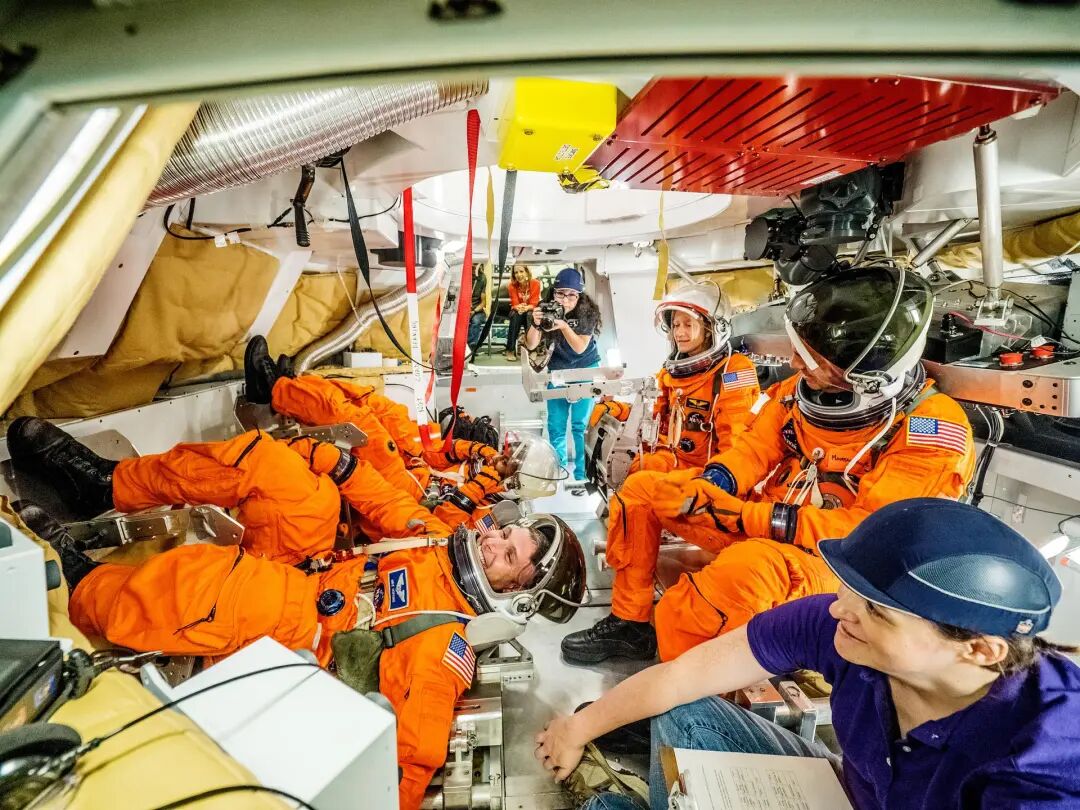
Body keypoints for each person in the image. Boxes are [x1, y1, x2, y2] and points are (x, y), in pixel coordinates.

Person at [20, 494, 584, 810]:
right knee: (248, 532)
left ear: (513, 595)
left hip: (294, 643)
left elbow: (409, 764)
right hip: (300, 583)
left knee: (207, 589)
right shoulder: (440, 544)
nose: (491, 542)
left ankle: (77, 588)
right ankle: (92, 571)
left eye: (507, 557)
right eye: (504, 535)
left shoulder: (440, 648)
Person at [536, 498, 1080, 809]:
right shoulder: (841, 626)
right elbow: (682, 676)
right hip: (848, 794)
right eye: (849, 589)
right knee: (684, 709)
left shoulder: (1042, 767)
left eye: (876, 610)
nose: (839, 609)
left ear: (979, 650)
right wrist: (576, 729)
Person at [561, 265, 975, 665]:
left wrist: (748, 516)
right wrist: (713, 484)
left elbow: (868, 534)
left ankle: (693, 699)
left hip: (831, 563)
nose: (795, 364)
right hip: (760, 523)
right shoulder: (796, 392)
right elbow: (753, 450)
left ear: (862, 372)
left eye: (811, 359)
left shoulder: (932, 428)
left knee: (733, 580)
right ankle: (630, 623)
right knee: (642, 492)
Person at [242, 336, 560, 528]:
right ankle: (293, 387)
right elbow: (441, 454)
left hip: (409, 495)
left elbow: (443, 524)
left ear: (513, 482)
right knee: (383, 407)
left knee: (365, 428)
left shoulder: (489, 515)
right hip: (418, 465)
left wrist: (478, 486)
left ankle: (275, 389)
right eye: (512, 451)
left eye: (511, 460)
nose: (505, 453)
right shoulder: (486, 461)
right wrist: (468, 449)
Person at [588, 281, 760, 478]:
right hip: (673, 458)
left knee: (636, 486)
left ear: (710, 329)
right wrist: (621, 411)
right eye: (676, 325)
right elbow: (652, 415)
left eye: (688, 325)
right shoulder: (670, 373)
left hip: (707, 471)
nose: (679, 333)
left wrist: (719, 481)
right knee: (625, 471)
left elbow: (735, 442)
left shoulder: (734, 369)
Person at [525, 266, 602, 488]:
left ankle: (582, 475)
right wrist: (536, 323)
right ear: (553, 293)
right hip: (558, 371)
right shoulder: (545, 309)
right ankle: (558, 472)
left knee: (580, 425)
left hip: (585, 369)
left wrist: (564, 326)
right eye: (560, 293)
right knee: (556, 426)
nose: (565, 300)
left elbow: (579, 348)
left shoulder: (587, 313)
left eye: (571, 295)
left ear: (579, 296)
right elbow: (531, 344)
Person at [505, 264, 541, 359]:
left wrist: (526, 307)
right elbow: (515, 303)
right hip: (518, 310)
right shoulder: (511, 286)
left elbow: (534, 303)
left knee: (530, 315)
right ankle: (510, 350)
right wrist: (519, 308)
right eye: (516, 272)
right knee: (515, 315)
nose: (518, 274)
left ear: (527, 272)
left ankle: (532, 349)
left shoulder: (535, 283)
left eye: (521, 271)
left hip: (530, 310)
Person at [467, 262, 489, 351]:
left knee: (475, 321)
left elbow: (483, 302)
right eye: (472, 264)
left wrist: (474, 311)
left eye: (476, 264)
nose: (474, 266)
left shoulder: (482, 278)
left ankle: (471, 347)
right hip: (464, 309)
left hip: (477, 310)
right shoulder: (464, 277)